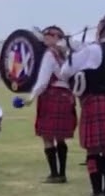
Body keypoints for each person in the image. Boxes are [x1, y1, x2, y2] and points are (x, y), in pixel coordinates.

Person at [59, 14, 105, 196]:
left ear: (100, 30)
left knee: (92, 149)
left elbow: (65, 70)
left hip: (96, 102)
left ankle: (97, 191)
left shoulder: (93, 50)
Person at [28, 26, 78, 182]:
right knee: (60, 138)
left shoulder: (50, 55)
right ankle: (62, 173)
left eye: (49, 35)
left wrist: (31, 97)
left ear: (57, 37)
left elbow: (43, 81)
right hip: (66, 96)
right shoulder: (66, 55)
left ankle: (55, 174)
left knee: (48, 137)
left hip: (51, 96)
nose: (45, 37)